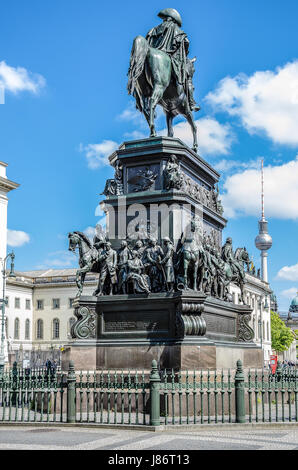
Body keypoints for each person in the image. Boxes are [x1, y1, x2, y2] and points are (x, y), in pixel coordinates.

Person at [146, 8, 200, 112]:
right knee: (187, 78)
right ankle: (192, 102)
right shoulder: (175, 28)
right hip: (171, 56)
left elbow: (148, 42)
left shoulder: (153, 30)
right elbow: (185, 42)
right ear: (173, 19)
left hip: (151, 58)